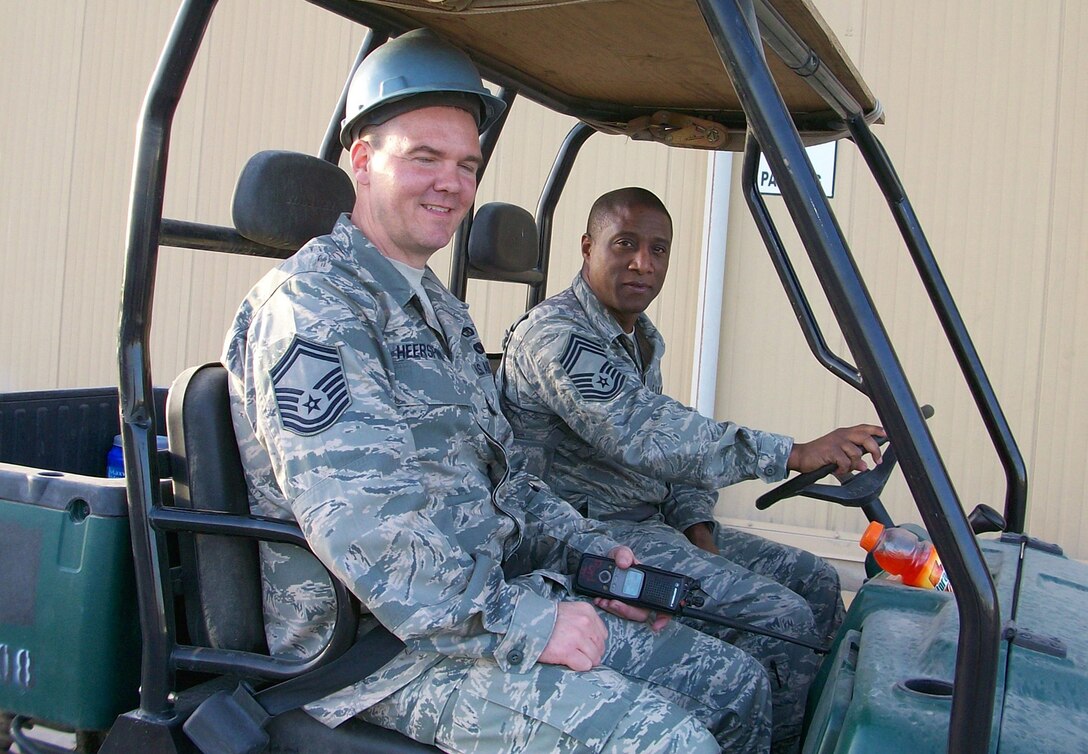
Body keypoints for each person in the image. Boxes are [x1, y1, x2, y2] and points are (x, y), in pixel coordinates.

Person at [223, 32, 772, 754]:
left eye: (467, 165)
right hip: (377, 652)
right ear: (362, 161)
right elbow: (371, 535)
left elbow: (506, 482)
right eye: (424, 158)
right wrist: (531, 623)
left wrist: (595, 559)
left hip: (480, 605)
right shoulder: (313, 310)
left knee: (737, 685)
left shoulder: (437, 310)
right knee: (672, 745)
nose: (451, 184)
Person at [499, 187, 885, 751]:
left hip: (650, 526)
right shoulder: (558, 336)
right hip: (586, 540)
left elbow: (667, 461)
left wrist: (697, 526)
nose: (643, 263)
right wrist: (792, 453)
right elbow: (646, 433)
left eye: (658, 250)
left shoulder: (635, 336)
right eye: (625, 244)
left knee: (818, 582)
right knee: (780, 619)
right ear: (587, 247)